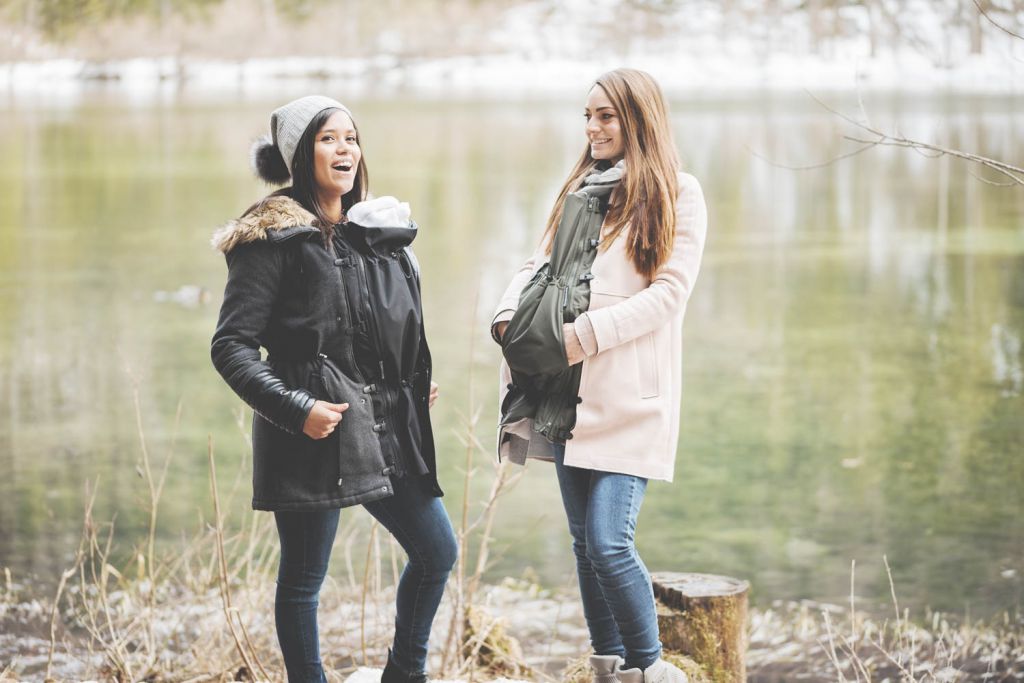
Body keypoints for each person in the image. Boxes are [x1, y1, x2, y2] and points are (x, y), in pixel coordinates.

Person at [211, 95, 457, 683]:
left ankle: (405, 674)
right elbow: (231, 347)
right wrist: (295, 409)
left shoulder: (371, 230)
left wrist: (411, 377)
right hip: (311, 427)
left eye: (350, 137)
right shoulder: (270, 237)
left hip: (384, 420)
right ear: (300, 153)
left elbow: (373, 321)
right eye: (328, 138)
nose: (344, 148)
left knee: (436, 552)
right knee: (302, 578)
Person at [490, 69, 707, 683]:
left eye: (606, 116)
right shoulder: (579, 191)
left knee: (611, 542)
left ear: (639, 119)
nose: (593, 128)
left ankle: (651, 667)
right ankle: (609, 667)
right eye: (588, 115)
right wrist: (507, 317)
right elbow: (537, 265)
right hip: (562, 393)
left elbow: (669, 293)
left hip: (626, 398)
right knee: (586, 547)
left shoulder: (678, 194)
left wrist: (583, 337)